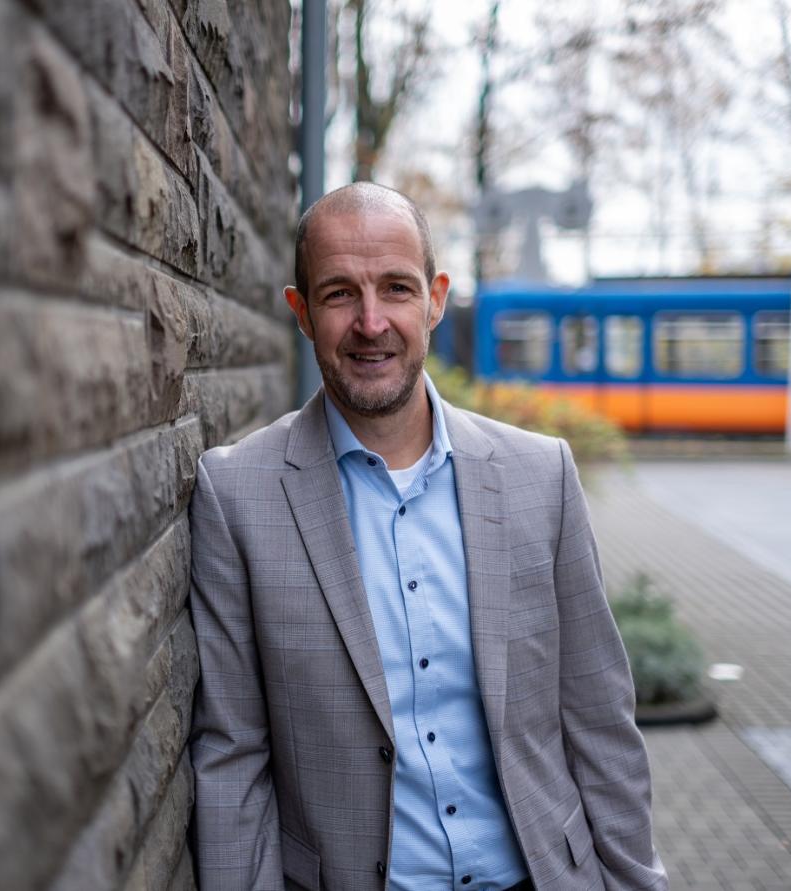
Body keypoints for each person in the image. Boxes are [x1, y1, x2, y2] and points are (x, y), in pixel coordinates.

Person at [188, 182, 668, 891]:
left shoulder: (541, 476)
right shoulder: (237, 495)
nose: (372, 321)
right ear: (300, 312)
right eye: (340, 293)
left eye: (397, 288)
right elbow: (232, 759)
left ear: (436, 298)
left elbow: (600, 721)